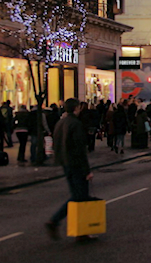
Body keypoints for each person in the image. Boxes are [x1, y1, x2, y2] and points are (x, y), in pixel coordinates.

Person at [45, 98, 94, 241]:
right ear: (76, 108)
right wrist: (87, 171)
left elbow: (57, 145)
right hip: (76, 165)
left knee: (77, 196)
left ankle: (79, 231)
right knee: (80, 197)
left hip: (65, 164)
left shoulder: (60, 123)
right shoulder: (76, 124)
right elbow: (79, 150)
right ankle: (56, 221)